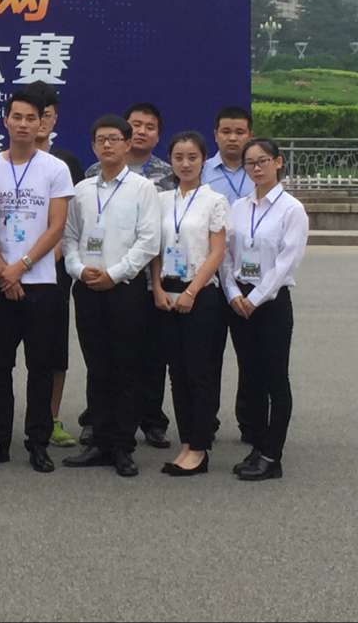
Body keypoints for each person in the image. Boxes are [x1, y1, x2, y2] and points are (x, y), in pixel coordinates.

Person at [0, 88, 74, 474]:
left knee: (40, 366)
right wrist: (4, 269)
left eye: (31, 118)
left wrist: (23, 265)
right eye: (16, 117)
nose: (23, 124)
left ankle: (38, 441)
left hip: (41, 282)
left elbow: (57, 226)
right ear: (5, 120)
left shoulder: (55, 168)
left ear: (41, 123)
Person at [61, 115, 160, 478]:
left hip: (125, 289)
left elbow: (149, 240)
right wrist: (77, 269)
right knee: (97, 366)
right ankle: (99, 441)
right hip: (87, 287)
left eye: (114, 139)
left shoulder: (142, 188)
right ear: (92, 145)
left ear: (127, 144)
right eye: (101, 139)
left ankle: (122, 446)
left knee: (125, 367)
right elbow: (70, 236)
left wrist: (115, 274)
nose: (107, 145)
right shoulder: (82, 189)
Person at [84, 102, 176, 449]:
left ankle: (149, 420)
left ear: (157, 135)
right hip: (101, 274)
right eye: (136, 124)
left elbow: (155, 235)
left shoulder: (166, 174)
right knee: (103, 358)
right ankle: (98, 423)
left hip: (150, 277)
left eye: (149, 127)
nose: (141, 131)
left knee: (149, 355)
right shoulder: (93, 173)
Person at [222, 138, 309, 482]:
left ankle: (273, 455)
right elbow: (226, 254)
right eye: (250, 163)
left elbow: (287, 262)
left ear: (278, 162)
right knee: (251, 376)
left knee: (275, 378)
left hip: (271, 302)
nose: (256, 168)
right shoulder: (239, 207)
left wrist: (256, 298)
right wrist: (232, 292)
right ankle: (257, 447)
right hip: (239, 300)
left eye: (263, 161)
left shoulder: (292, 210)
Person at [150, 131, 229, 476]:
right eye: (179, 157)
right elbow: (154, 249)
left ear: (203, 160)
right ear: (170, 160)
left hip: (200, 293)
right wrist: (156, 287)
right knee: (176, 373)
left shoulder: (215, 200)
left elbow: (217, 252)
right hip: (166, 293)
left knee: (200, 372)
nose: (185, 164)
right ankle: (186, 443)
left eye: (192, 157)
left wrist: (192, 291)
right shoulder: (161, 200)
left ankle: (200, 447)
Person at [31, 82, 84, 450]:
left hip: (54, 270)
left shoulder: (67, 164)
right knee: (4, 354)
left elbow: (71, 222)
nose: (38, 123)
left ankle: (50, 419)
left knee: (52, 351)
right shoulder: (1, 162)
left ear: (53, 119)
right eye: (32, 115)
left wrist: (50, 259)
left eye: (45, 115)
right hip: (12, 272)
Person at [202, 105, 255, 447]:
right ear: (216, 134)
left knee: (251, 356)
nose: (232, 138)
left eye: (239, 132)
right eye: (226, 131)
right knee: (207, 356)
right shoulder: (202, 172)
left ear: (249, 135)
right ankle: (204, 421)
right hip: (209, 277)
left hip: (249, 278)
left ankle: (250, 422)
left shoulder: (259, 170)